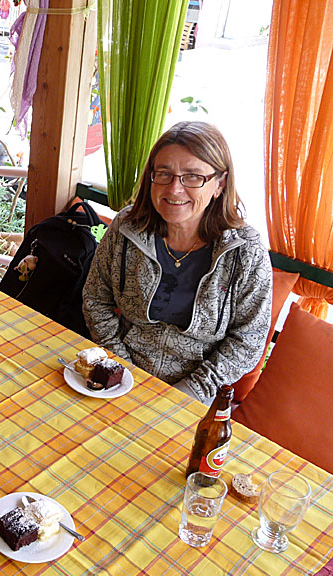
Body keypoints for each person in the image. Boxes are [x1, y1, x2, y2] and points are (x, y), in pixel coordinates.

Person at [82, 121, 272, 404]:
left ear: (219, 184)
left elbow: (249, 340)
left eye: (193, 177)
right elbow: (96, 297)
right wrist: (119, 366)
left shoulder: (245, 251)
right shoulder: (127, 227)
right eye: (164, 174)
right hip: (119, 374)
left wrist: (189, 394)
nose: (174, 189)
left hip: (197, 393)